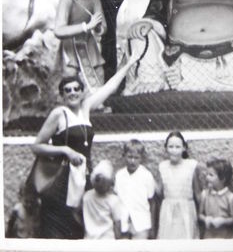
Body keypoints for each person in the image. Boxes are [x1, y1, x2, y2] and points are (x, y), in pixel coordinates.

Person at [31, 53, 139, 239]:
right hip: (62, 178)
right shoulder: (59, 113)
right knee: (59, 226)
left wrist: (128, 64)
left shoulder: (86, 108)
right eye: (67, 90)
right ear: (63, 95)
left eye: (76, 89)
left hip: (84, 175)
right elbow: (37, 146)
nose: (72, 93)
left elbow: (110, 87)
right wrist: (65, 150)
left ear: (82, 92)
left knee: (80, 226)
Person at [55, 0, 107, 91]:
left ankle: (97, 105)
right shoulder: (66, 0)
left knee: (98, 72)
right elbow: (59, 30)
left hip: (89, 44)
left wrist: (98, 28)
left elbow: (103, 26)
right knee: (71, 75)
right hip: (70, 46)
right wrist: (86, 26)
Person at [156, 131, 201, 239]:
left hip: (187, 211)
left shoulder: (191, 166)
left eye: (177, 147)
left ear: (184, 148)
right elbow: (159, 193)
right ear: (166, 148)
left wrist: (201, 216)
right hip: (167, 212)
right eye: (171, 147)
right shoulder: (162, 167)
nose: (174, 150)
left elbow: (198, 194)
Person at [114, 139, 156, 239]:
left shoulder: (146, 175)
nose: (132, 161)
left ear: (141, 158)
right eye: (129, 157)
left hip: (142, 223)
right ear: (124, 156)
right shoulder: (119, 175)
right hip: (123, 223)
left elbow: (152, 202)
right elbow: (116, 200)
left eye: (136, 158)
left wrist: (152, 227)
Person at [83, 160, 125, 239]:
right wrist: (118, 240)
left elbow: (77, 213)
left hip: (89, 239)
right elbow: (117, 224)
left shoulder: (87, 196)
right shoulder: (113, 200)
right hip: (107, 241)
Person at [198, 159, 233, 239]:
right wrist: (206, 219)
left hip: (226, 236)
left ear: (222, 179)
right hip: (209, 236)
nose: (207, 177)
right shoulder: (205, 194)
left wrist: (223, 221)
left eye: (211, 175)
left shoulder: (230, 197)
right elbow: (200, 215)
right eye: (207, 174)